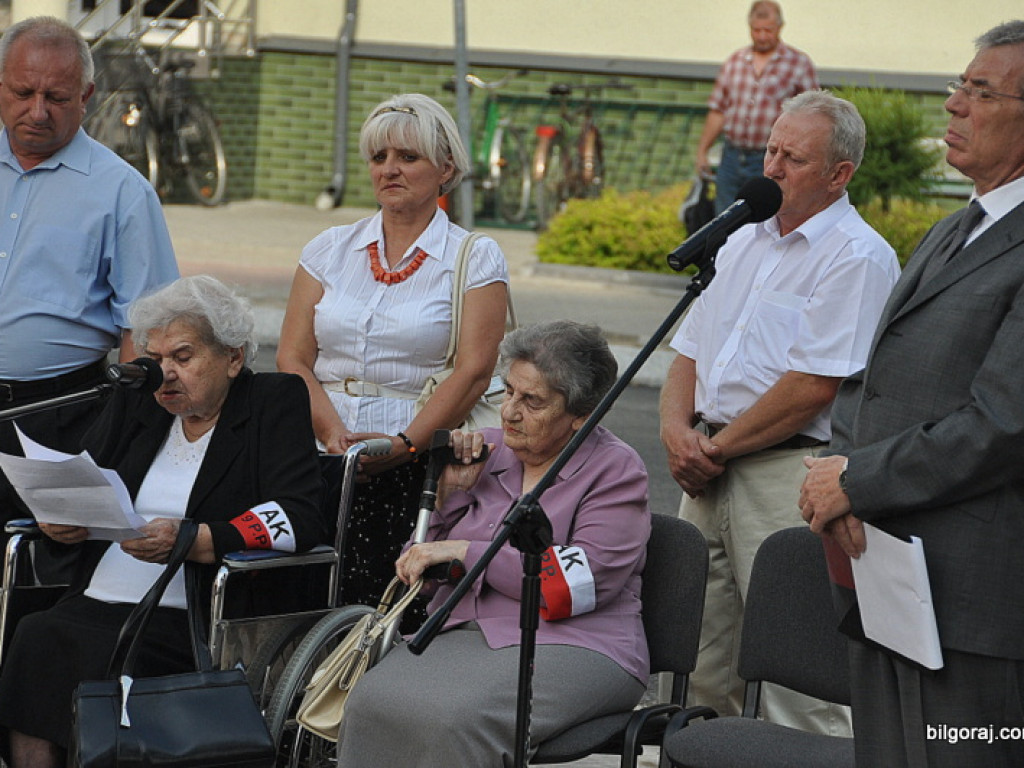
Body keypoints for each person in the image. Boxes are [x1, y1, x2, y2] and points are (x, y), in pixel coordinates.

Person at [799, 21, 1024, 768]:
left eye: (980, 91)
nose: (954, 106)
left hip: (975, 605)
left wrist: (856, 480)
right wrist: (833, 480)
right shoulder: (954, 227)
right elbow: (872, 376)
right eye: (958, 86)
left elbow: (1003, 423)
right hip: (886, 573)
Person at [0, 275, 324, 768]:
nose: (164, 374)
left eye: (183, 357)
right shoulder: (140, 402)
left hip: (193, 614)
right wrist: (63, 522)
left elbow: (299, 515)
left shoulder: (272, 402)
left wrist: (199, 540)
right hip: (96, 597)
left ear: (234, 358)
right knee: (36, 636)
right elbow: (90, 477)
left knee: (99, 652)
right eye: (155, 359)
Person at [660, 90, 900, 733]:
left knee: (798, 681)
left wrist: (713, 448)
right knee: (698, 666)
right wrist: (676, 433)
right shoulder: (741, 239)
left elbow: (815, 386)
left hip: (784, 478)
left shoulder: (857, 255)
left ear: (838, 175)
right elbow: (688, 347)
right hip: (705, 469)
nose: (769, 167)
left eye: (791, 158)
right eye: (770, 148)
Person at [335, 320, 651, 766]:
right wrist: (449, 497)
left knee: (453, 718)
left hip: (582, 644)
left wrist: (468, 551)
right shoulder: (483, 451)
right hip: (466, 634)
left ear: (581, 414)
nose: (508, 413)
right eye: (508, 392)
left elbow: (569, 588)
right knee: (371, 700)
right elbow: (417, 578)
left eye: (532, 401)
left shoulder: (616, 471)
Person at [277, 92, 509, 614]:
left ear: (446, 167)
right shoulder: (328, 248)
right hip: (320, 456)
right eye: (379, 158)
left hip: (418, 465)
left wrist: (403, 447)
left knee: (390, 605)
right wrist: (333, 435)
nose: (390, 170)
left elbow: (474, 371)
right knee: (305, 600)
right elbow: (292, 357)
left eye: (408, 157)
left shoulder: (474, 256)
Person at [0, 17, 179, 576]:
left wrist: (117, 446)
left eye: (56, 97)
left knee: (35, 576)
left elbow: (147, 333)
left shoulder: (122, 192)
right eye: (22, 92)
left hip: (57, 416)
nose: (37, 111)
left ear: (87, 97)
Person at [694, 1, 818, 215]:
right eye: (756, 30)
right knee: (724, 218)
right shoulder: (735, 61)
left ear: (780, 27)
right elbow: (718, 110)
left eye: (767, 30)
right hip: (731, 156)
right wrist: (702, 151)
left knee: (763, 219)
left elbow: (811, 116)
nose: (761, 36)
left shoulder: (798, 64)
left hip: (772, 158)